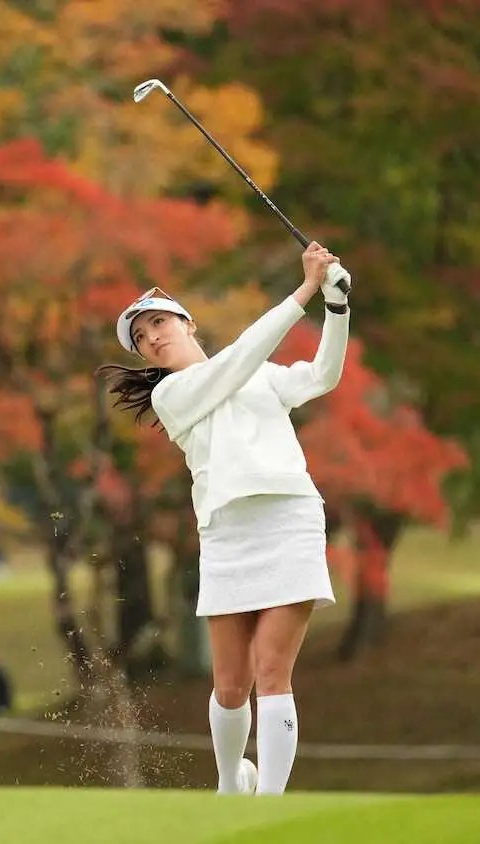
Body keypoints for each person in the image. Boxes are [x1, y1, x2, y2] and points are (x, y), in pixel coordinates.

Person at [97, 242, 351, 796]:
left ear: (186, 322)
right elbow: (238, 360)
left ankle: (270, 803)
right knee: (231, 685)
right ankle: (230, 785)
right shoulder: (173, 394)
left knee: (272, 671)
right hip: (227, 534)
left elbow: (322, 376)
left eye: (158, 323)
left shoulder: (259, 374)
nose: (151, 337)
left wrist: (337, 308)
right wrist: (306, 289)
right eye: (141, 338)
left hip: (288, 520)